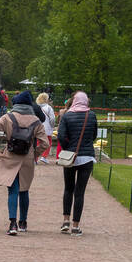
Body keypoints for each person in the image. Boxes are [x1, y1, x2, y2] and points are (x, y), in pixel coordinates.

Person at [0, 91, 50, 235]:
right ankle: (23, 222)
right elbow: (45, 143)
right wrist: (35, 154)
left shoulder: (8, 117)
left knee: (12, 190)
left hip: (10, 156)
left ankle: (12, 224)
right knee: (24, 190)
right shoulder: (36, 121)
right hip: (27, 157)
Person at [56, 92, 98, 235]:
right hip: (86, 157)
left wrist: (68, 147)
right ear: (86, 101)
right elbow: (94, 135)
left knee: (68, 189)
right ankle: (75, 225)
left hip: (70, 157)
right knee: (80, 193)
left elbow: (61, 136)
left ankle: (65, 221)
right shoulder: (91, 115)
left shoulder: (67, 115)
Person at [35, 92, 57, 164]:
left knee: (38, 143)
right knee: (48, 142)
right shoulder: (48, 107)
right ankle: (44, 157)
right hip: (47, 128)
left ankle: (35, 158)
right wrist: (52, 126)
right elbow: (52, 119)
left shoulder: (36, 107)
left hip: (38, 128)